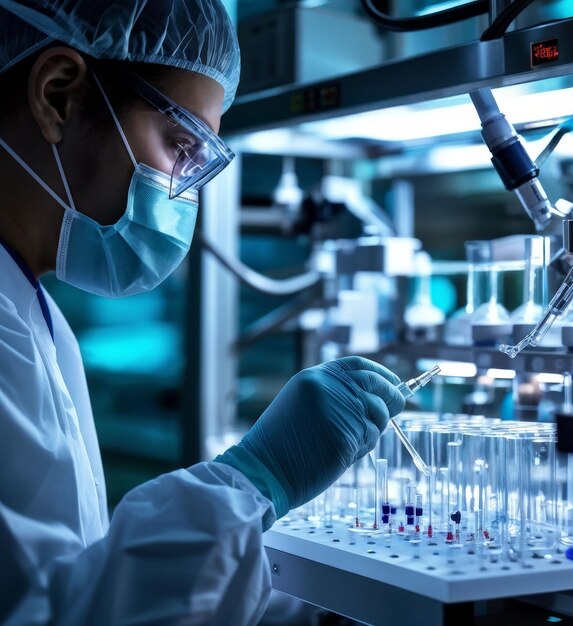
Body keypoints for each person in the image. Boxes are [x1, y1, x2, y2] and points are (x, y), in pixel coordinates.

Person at [0, 1, 406, 624]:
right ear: (58, 94)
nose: (182, 191)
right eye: (180, 145)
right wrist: (254, 478)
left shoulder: (33, 308)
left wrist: (315, 608)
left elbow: (79, 578)